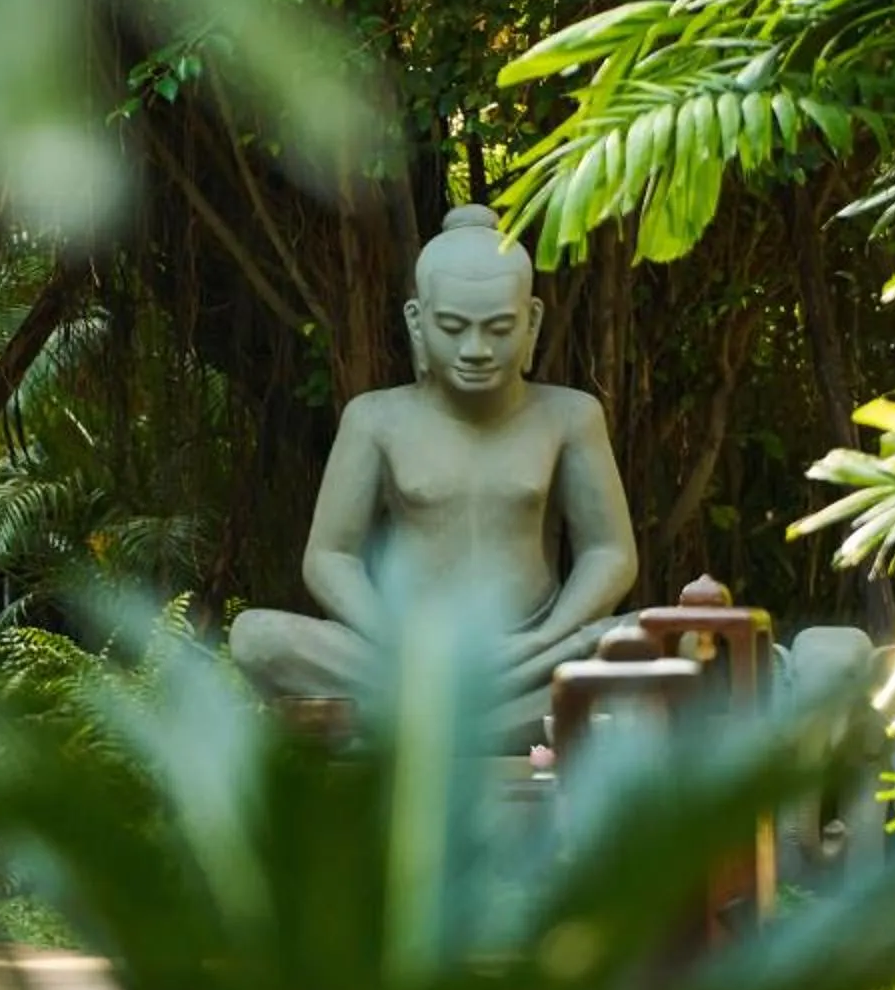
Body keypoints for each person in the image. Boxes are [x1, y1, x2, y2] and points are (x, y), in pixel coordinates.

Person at [230, 205, 637, 743]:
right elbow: (330, 558)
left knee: (645, 639)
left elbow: (609, 553)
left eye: (498, 328)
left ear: (532, 321)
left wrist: (543, 641)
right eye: (453, 328)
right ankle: (492, 724)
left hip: (532, 655)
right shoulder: (375, 420)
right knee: (257, 637)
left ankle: (426, 729)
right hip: (409, 657)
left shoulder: (569, 416)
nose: (475, 350)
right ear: (418, 323)